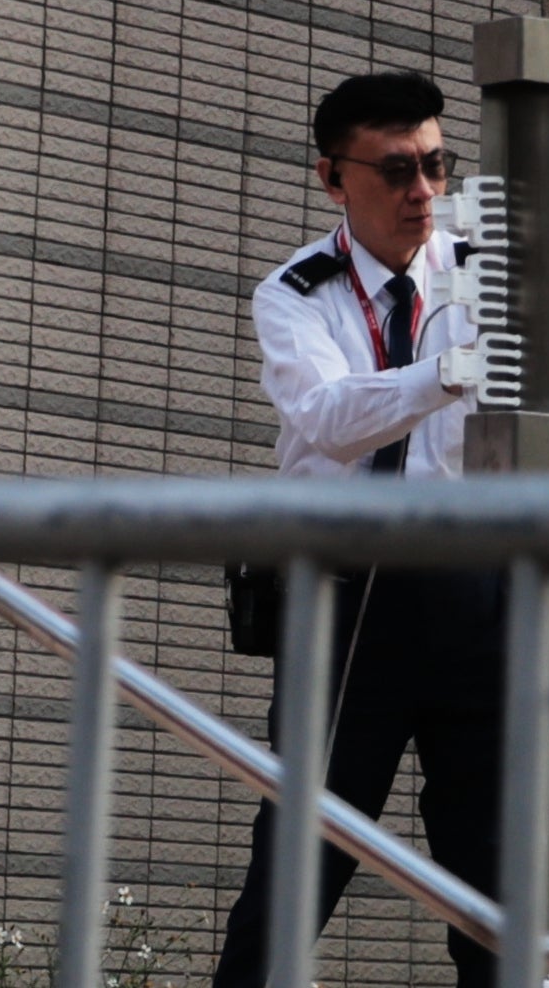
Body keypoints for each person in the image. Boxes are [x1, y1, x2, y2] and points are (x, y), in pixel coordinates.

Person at [211, 71, 498, 988]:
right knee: (302, 859)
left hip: (468, 591)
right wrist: (445, 372)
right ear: (334, 179)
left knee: (491, 874)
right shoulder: (296, 292)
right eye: (398, 170)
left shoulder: (481, 268)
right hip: (345, 605)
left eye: (437, 166)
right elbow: (331, 417)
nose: (423, 192)